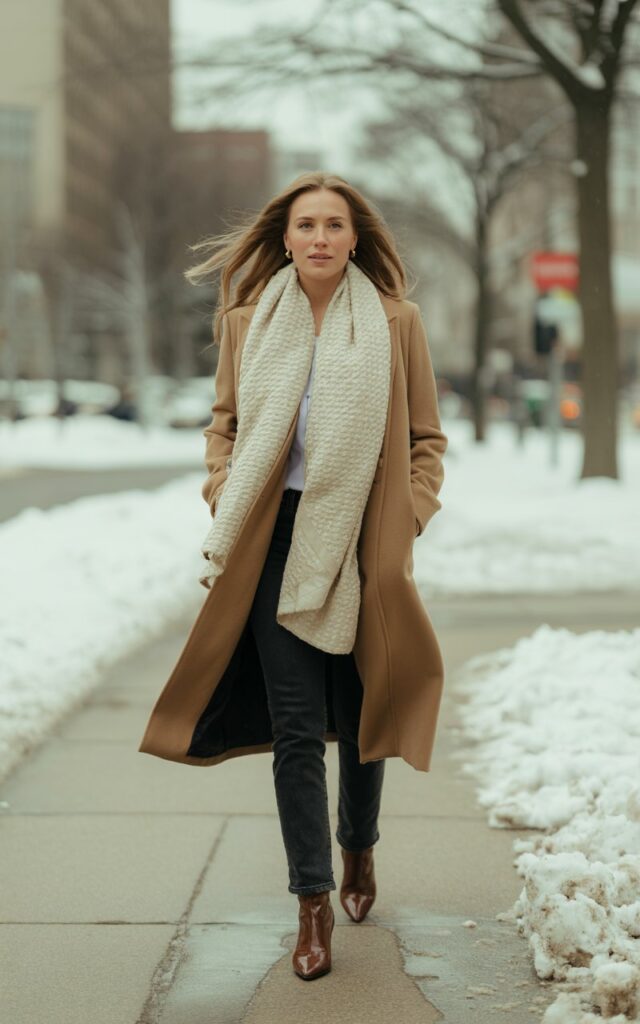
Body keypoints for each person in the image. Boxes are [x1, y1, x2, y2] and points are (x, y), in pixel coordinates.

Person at [137, 171, 448, 982]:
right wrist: (222, 486)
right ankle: (311, 902)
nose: (318, 238)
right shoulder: (249, 321)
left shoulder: (394, 321)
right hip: (273, 542)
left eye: (333, 225)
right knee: (298, 726)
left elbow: (425, 440)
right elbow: (227, 424)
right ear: (285, 237)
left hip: (359, 541)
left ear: (355, 238)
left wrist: (405, 516)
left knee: (362, 709)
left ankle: (359, 847)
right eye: (305, 224)